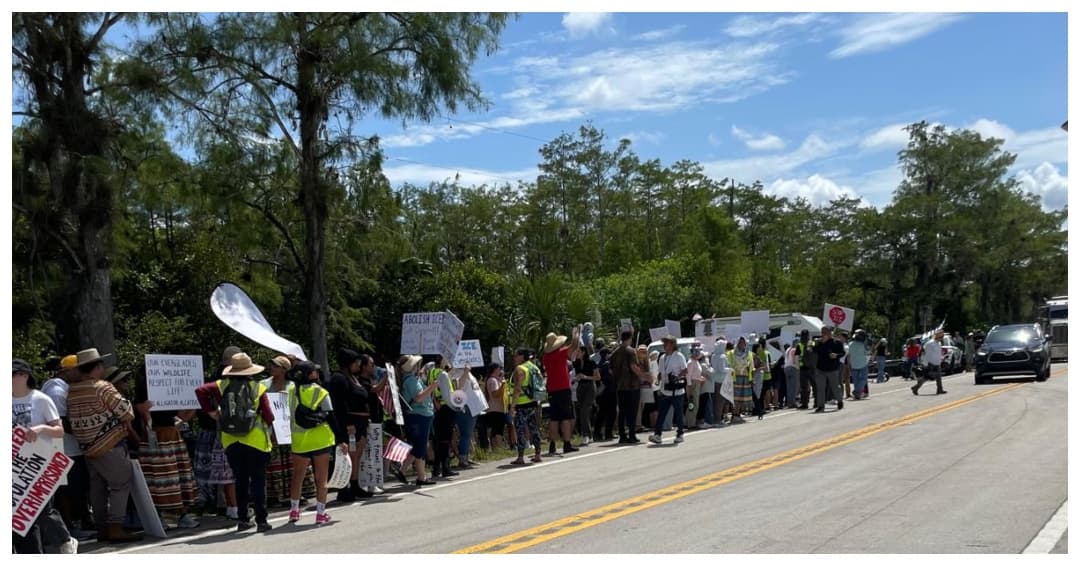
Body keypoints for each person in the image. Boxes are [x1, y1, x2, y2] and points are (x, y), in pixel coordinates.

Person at [67, 348, 142, 544]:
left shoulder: (73, 390)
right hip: (109, 444)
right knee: (120, 484)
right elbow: (127, 413)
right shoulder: (103, 388)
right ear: (98, 367)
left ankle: (102, 528)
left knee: (97, 488)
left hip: (88, 447)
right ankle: (116, 527)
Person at [195, 352, 275, 533]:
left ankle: (243, 519)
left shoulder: (220, 385)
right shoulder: (258, 387)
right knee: (258, 480)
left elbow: (200, 391)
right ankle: (262, 521)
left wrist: (211, 412)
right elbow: (268, 415)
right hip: (255, 441)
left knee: (240, 480)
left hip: (231, 440)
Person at [13, 358, 77, 554]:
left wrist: (40, 428)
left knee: (40, 511)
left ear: (24, 376)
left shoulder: (40, 399)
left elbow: (59, 430)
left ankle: (64, 539)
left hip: (39, 463)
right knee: (19, 516)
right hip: (14, 466)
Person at [132, 366, 200, 530]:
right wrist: (144, 411)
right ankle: (160, 516)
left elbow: (181, 415)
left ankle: (182, 514)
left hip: (171, 434)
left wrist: (191, 405)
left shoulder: (170, 389)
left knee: (177, 476)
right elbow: (141, 416)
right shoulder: (142, 395)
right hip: (154, 436)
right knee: (159, 478)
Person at [41, 354, 94, 540]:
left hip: (70, 447)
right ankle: (70, 528)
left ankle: (80, 523)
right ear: (68, 371)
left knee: (76, 487)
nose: (82, 373)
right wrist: (86, 433)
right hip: (64, 449)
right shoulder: (56, 391)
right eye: (79, 369)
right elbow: (62, 421)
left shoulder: (63, 388)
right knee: (67, 489)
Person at [288, 361, 345, 526]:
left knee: (297, 476)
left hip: (299, 440)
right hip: (321, 440)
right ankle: (320, 513)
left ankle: (293, 511)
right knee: (322, 478)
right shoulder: (321, 392)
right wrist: (340, 439)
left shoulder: (291, 391)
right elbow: (331, 417)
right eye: (315, 371)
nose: (317, 373)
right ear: (311, 375)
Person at [261, 356, 316, 508]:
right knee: (274, 461)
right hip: (271, 428)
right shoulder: (263, 385)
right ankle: (276, 495)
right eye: (271, 365)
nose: (272, 368)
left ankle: (298, 493)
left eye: (276, 366)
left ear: (284, 369)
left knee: (294, 461)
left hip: (290, 428)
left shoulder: (293, 386)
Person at [193, 346, 239, 521]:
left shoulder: (214, 378)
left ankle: (222, 505)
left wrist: (210, 412)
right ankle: (231, 507)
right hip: (223, 432)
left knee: (220, 472)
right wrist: (213, 412)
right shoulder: (224, 380)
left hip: (213, 430)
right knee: (228, 473)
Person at [327, 348, 369, 500]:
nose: (359, 364)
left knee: (357, 454)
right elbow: (340, 404)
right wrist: (348, 423)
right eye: (356, 362)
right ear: (349, 363)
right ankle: (344, 488)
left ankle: (355, 484)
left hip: (361, 423)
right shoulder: (339, 378)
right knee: (349, 455)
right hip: (350, 424)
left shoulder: (352, 377)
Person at [541, 327, 581, 455]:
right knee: (565, 417)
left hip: (552, 389)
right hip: (563, 388)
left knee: (554, 418)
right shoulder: (561, 353)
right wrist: (576, 334)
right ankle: (567, 443)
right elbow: (574, 345)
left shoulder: (545, 357)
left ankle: (552, 444)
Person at [399, 355, 437, 486]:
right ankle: (421, 477)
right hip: (418, 415)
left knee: (418, 446)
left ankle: (403, 470)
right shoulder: (411, 381)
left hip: (420, 415)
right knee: (420, 447)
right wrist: (433, 386)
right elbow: (419, 398)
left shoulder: (412, 379)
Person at [357, 355, 388, 492]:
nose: (373, 367)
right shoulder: (361, 381)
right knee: (369, 452)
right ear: (363, 366)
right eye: (371, 364)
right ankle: (368, 483)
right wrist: (386, 378)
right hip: (368, 420)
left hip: (376, 419)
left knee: (375, 451)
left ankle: (374, 481)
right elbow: (375, 389)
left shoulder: (369, 379)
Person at [650, 336, 688, 444]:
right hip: (665, 389)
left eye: (665, 344)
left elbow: (685, 370)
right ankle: (657, 434)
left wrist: (676, 376)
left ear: (671, 344)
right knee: (662, 412)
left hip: (676, 390)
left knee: (678, 412)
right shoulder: (662, 358)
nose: (664, 346)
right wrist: (658, 382)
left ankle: (680, 434)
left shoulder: (679, 356)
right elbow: (661, 373)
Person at [427, 355, 461, 478]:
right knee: (445, 440)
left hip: (437, 408)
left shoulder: (432, 372)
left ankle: (436, 468)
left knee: (439, 440)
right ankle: (445, 468)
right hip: (446, 407)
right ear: (442, 361)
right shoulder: (443, 374)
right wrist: (455, 407)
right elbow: (447, 395)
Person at [509, 348, 544, 465]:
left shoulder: (520, 369)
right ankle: (538, 454)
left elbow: (517, 388)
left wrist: (512, 406)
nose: (514, 357)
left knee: (520, 430)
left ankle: (520, 456)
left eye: (516, 355)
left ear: (521, 356)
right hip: (533, 402)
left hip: (522, 403)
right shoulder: (534, 367)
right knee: (534, 428)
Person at [610, 330, 644, 444]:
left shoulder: (615, 352)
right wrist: (644, 376)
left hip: (620, 386)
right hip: (632, 385)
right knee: (632, 411)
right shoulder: (631, 351)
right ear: (629, 338)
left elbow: (611, 368)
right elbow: (633, 366)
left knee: (622, 412)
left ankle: (622, 435)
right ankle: (632, 435)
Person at [812, 327, 846, 414]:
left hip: (832, 369)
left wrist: (836, 355)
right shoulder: (819, 343)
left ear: (830, 334)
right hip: (820, 369)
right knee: (820, 388)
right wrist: (814, 344)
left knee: (835, 386)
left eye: (825, 333)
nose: (823, 334)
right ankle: (820, 406)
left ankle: (839, 401)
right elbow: (813, 349)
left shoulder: (836, 343)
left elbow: (842, 353)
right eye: (822, 332)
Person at [573, 348, 599, 446]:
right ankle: (589, 435)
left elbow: (597, 377)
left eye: (579, 352)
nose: (577, 353)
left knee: (585, 410)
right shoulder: (576, 363)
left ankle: (586, 435)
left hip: (590, 386)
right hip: (580, 387)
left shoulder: (591, 362)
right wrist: (577, 378)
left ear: (584, 352)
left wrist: (586, 377)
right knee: (582, 412)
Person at [913, 330, 948, 396]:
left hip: (937, 363)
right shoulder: (930, 343)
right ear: (937, 336)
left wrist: (942, 358)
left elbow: (938, 353)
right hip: (930, 363)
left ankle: (940, 389)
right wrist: (925, 364)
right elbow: (926, 354)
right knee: (927, 377)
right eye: (941, 337)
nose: (942, 338)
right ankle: (915, 387)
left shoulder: (939, 343)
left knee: (938, 377)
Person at [727, 337, 752, 424]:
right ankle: (734, 414)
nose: (742, 344)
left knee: (742, 398)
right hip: (736, 377)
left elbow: (750, 366)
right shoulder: (731, 353)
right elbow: (729, 364)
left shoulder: (748, 353)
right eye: (740, 342)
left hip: (745, 377)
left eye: (743, 342)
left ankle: (738, 414)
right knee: (736, 398)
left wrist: (751, 378)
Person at [594, 347, 617, 442]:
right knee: (611, 413)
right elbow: (610, 379)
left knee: (601, 413)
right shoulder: (607, 365)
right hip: (609, 392)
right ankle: (608, 433)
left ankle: (597, 433)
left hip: (601, 393)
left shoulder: (599, 364)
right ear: (607, 354)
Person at [484, 363, 508, 450]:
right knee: (498, 430)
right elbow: (494, 394)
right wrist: (502, 386)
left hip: (498, 409)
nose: (501, 370)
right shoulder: (492, 381)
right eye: (499, 368)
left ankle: (496, 448)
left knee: (496, 429)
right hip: (495, 409)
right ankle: (499, 448)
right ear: (494, 370)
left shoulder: (496, 380)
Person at [710, 338, 730, 422]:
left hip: (714, 380)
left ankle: (715, 418)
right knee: (720, 401)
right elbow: (722, 369)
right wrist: (730, 369)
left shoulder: (713, 356)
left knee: (715, 401)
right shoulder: (722, 356)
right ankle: (718, 419)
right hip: (721, 380)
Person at [848, 330, 870, 400]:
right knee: (863, 379)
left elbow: (848, 354)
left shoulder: (850, 344)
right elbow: (867, 353)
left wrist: (849, 363)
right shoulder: (863, 345)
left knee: (856, 380)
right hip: (863, 364)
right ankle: (857, 391)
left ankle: (857, 395)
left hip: (853, 364)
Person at [797, 330, 817, 409]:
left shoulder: (799, 345)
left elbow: (797, 357)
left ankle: (804, 404)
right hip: (812, 368)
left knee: (804, 387)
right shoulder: (813, 343)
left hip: (803, 369)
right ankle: (817, 402)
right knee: (815, 386)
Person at [641, 349, 660, 432]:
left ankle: (650, 423)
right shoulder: (654, 363)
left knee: (649, 407)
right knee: (653, 407)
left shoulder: (648, 363)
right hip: (654, 388)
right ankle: (653, 424)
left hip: (649, 387)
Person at [784, 343, 799, 409]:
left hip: (786, 368)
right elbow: (795, 360)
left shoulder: (787, 349)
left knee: (789, 386)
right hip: (793, 368)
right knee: (794, 386)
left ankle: (789, 402)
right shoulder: (795, 349)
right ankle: (792, 402)